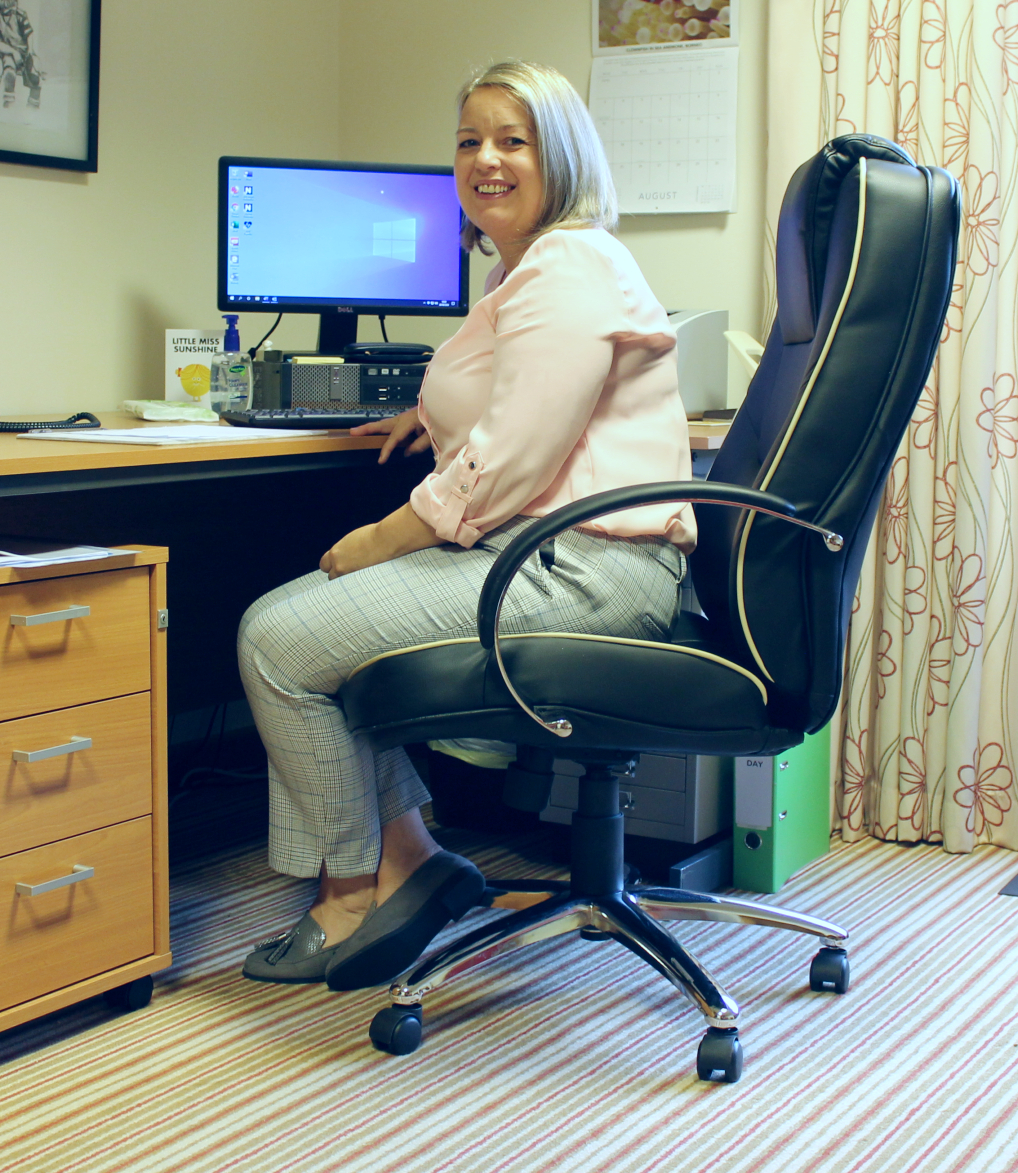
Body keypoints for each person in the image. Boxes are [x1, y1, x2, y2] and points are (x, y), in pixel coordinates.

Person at [234, 60, 695, 990]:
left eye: (512, 140)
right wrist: (432, 417)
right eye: (469, 141)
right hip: (554, 555)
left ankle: (352, 895)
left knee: (277, 640)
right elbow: (520, 400)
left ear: (557, 156)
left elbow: (516, 458)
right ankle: (412, 862)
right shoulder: (524, 272)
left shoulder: (569, 264)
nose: (486, 159)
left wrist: (376, 541)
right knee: (308, 630)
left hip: (581, 571)